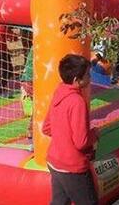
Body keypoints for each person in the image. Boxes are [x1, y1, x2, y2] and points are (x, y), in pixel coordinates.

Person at [42, 54, 98, 205]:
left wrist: (63, 136)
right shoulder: (77, 102)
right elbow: (81, 142)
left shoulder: (59, 92)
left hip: (55, 161)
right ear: (76, 80)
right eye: (87, 75)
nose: (90, 78)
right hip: (72, 166)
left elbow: (46, 128)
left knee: (59, 201)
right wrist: (94, 134)